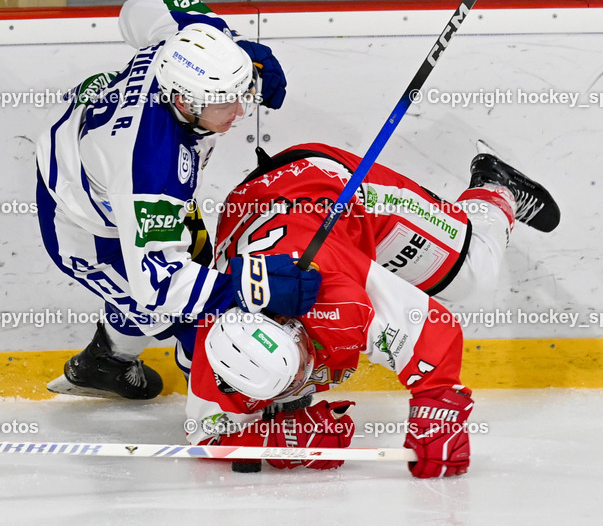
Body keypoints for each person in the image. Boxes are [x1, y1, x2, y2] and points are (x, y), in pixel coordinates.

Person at [185, 142, 560, 477]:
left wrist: (439, 411)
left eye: (301, 367)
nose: (307, 380)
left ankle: (496, 189)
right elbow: (209, 436)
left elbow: (434, 326)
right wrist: (280, 436)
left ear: (293, 326)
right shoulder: (219, 351)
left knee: (473, 275)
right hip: (252, 203)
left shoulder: (334, 298)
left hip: (337, 190)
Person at [36, 0, 322, 400]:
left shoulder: (188, 46)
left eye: (242, 92)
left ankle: (106, 362)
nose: (241, 111)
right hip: (88, 222)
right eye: (225, 101)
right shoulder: (151, 168)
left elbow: (143, 1)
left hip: (95, 147)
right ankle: (219, 409)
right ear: (183, 101)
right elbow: (162, 286)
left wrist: (235, 49)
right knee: (190, 316)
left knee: (199, 265)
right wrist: (249, 285)